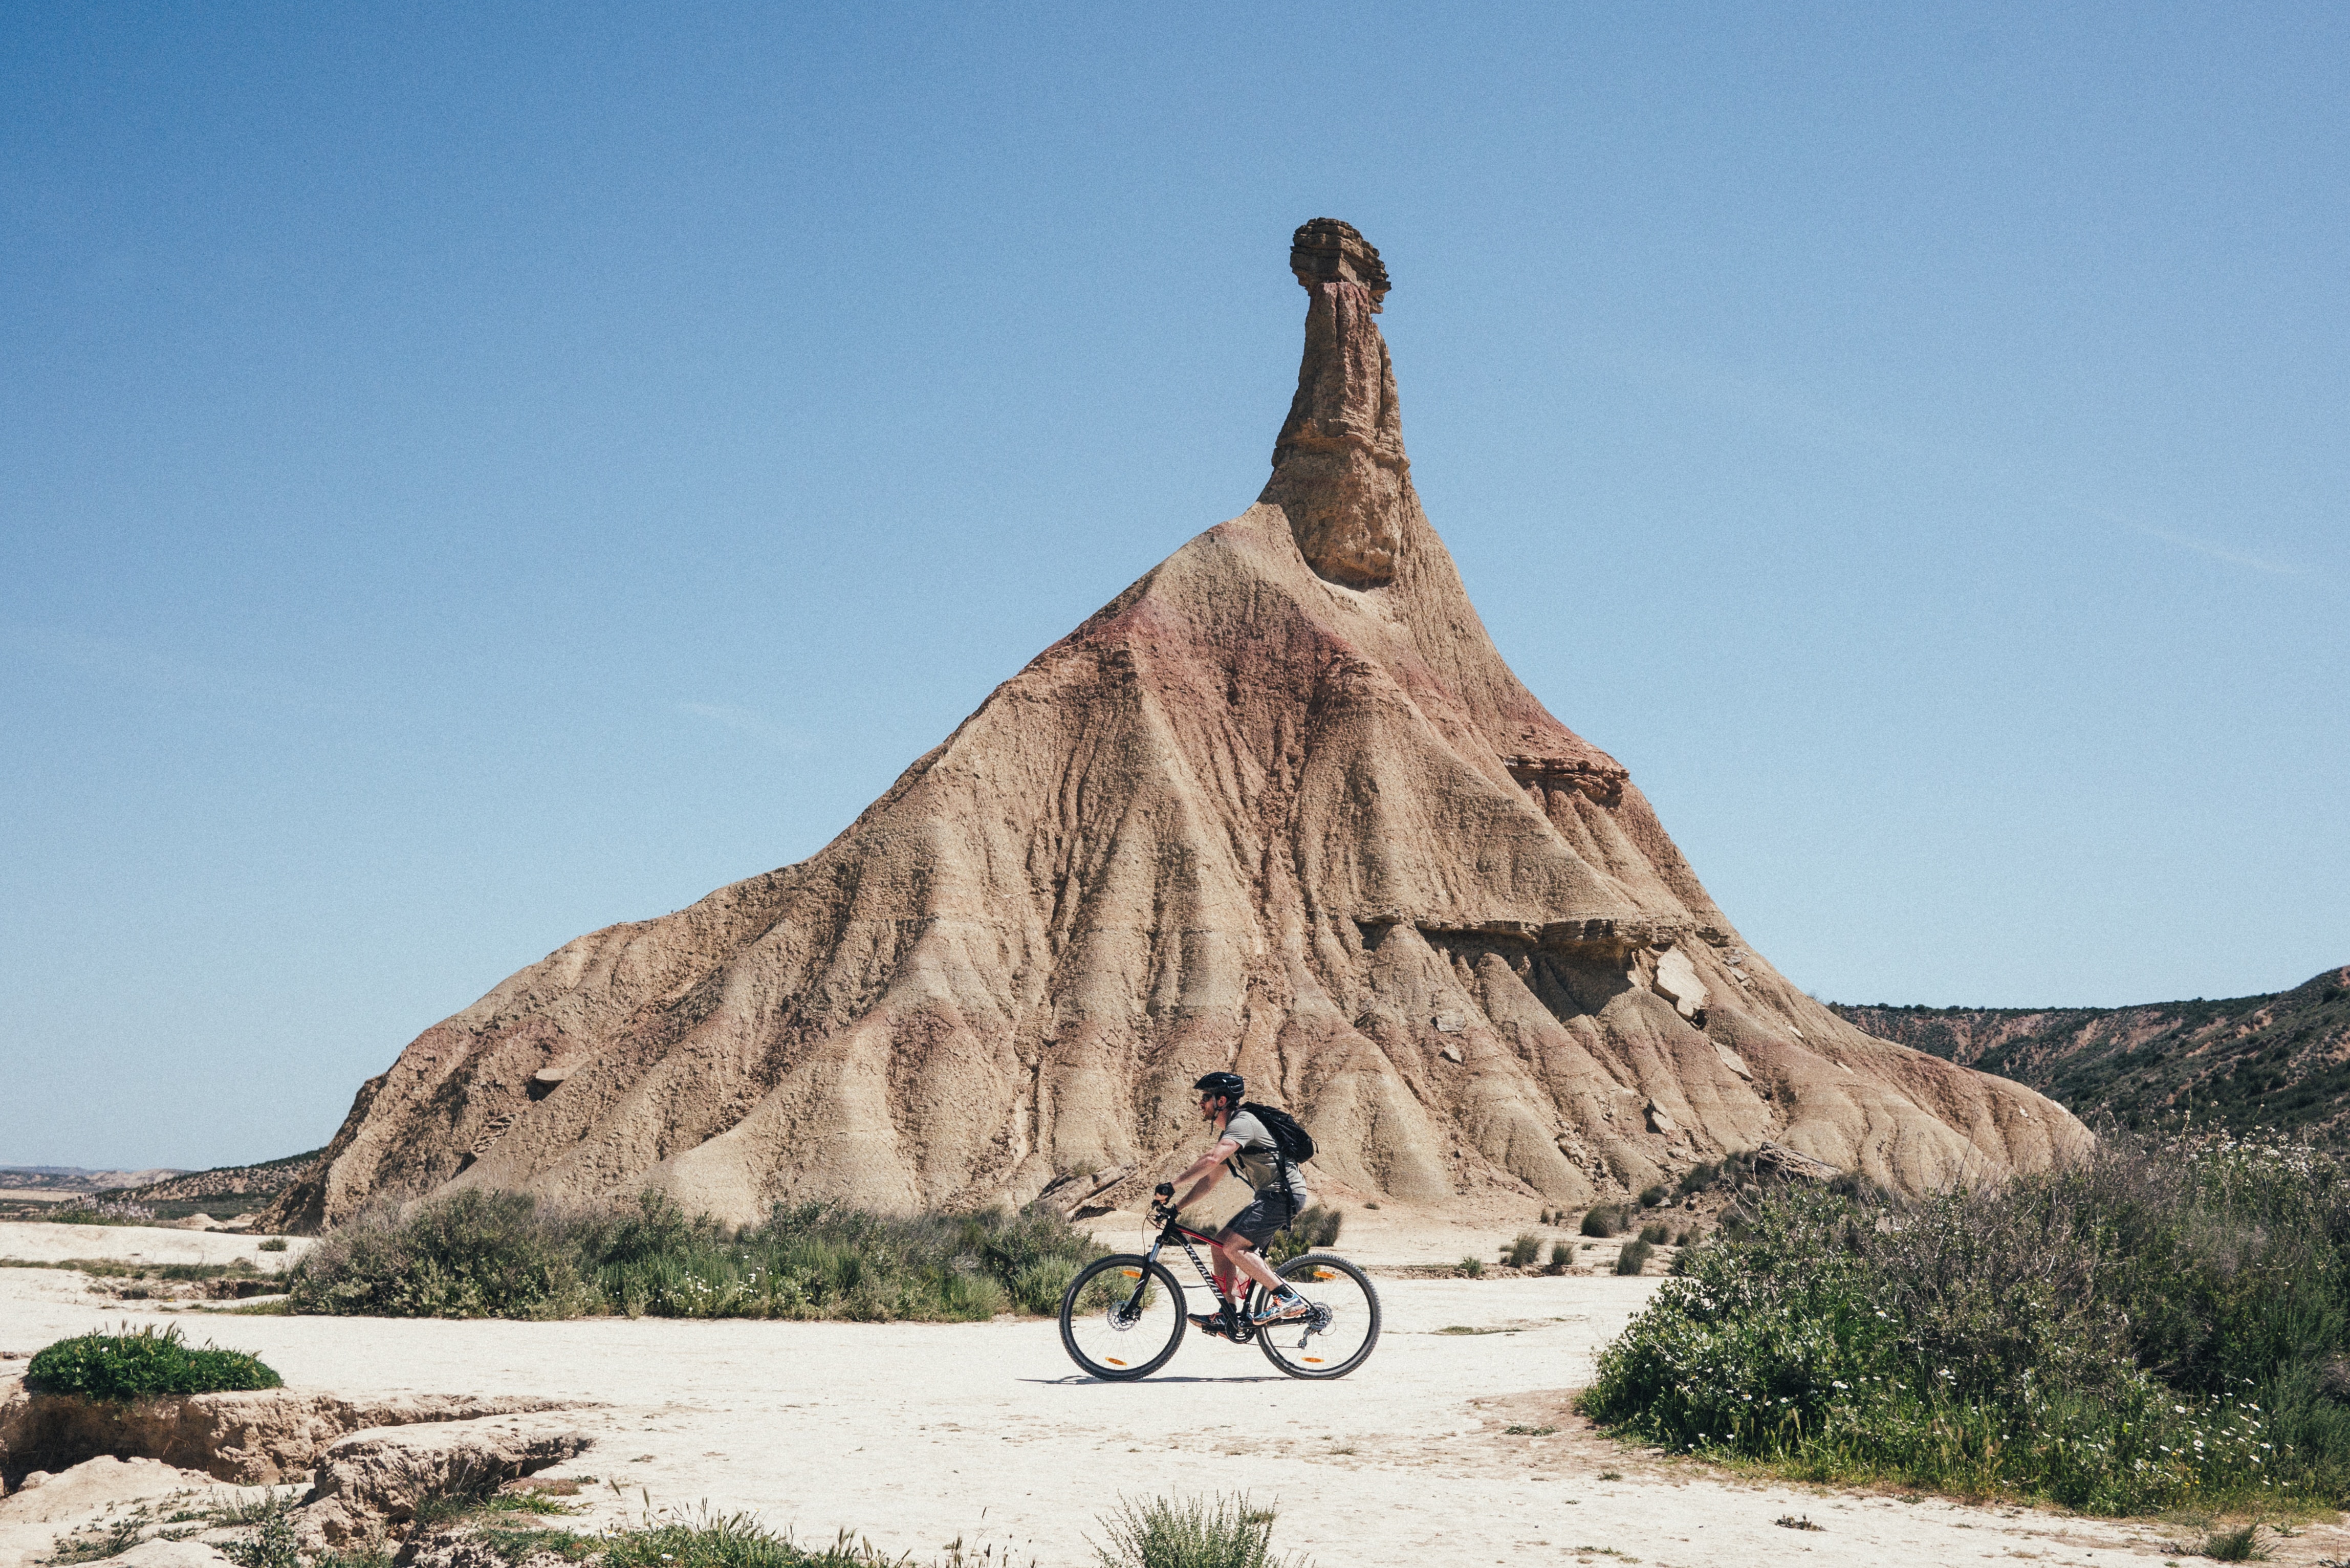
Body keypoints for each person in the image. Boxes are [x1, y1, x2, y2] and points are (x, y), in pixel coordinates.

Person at [1155, 1070, 1311, 1337]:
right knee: (1220, 1245)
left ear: (1222, 1101)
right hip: (1270, 1197)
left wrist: (1172, 1184)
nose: (1201, 1103)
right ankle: (1229, 1315)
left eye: (1206, 1097)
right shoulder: (1232, 1133)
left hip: (1283, 1196)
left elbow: (1213, 1159)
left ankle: (1286, 1297)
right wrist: (1177, 1208)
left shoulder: (1243, 1123)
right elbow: (1208, 1182)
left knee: (1234, 1247)